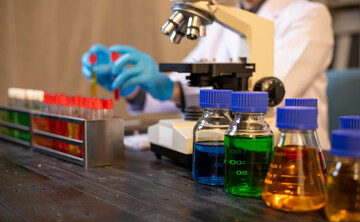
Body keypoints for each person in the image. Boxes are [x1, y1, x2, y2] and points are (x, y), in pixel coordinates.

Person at [81, 0, 334, 149]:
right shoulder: (220, 23)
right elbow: (181, 81)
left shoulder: (309, 14)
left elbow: (265, 92)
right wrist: (133, 85)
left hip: (293, 151)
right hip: (228, 152)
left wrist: (175, 90)